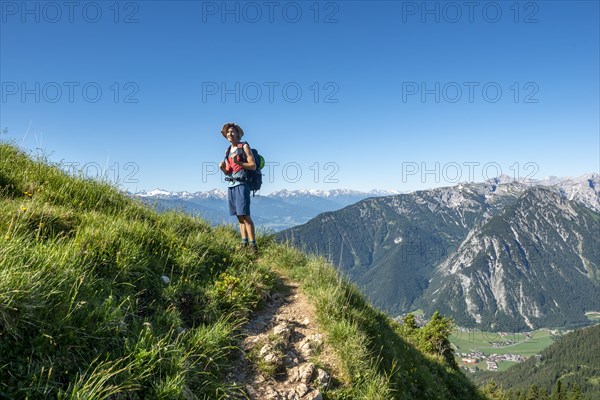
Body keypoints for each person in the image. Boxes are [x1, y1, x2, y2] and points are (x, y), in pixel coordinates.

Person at [219, 122, 258, 253]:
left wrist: (239, 162)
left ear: (238, 134)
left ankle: (253, 246)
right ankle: (244, 243)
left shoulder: (244, 146)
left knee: (245, 216)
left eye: (232, 131)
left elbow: (253, 165)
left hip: (242, 184)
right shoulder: (228, 150)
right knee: (239, 217)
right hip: (231, 185)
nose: (230, 134)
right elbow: (229, 171)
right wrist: (223, 169)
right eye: (227, 132)